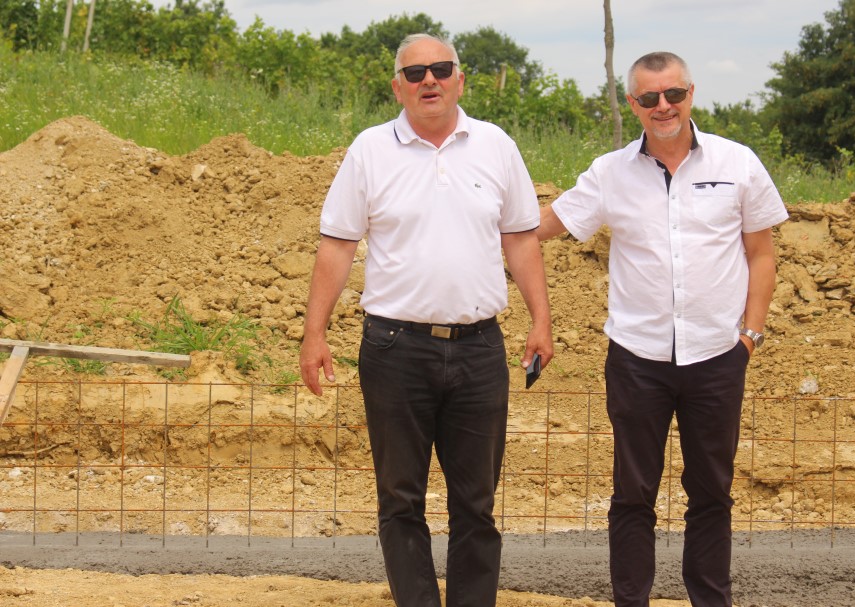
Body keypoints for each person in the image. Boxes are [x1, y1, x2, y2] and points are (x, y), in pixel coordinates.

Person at [299, 33, 553, 607]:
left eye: (440, 69)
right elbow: (337, 245)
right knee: (400, 501)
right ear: (398, 87)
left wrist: (542, 319)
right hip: (395, 350)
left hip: (480, 349)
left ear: (460, 79)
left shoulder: (496, 146)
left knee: (477, 505)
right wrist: (314, 333)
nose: (429, 80)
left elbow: (520, 238)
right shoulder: (370, 150)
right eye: (415, 74)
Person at [537, 51, 788, 607]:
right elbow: (550, 223)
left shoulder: (738, 163)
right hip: (637, 359)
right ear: (633, 103)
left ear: (690, 93)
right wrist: (484, 225)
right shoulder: (610, 173)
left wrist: (749, 337)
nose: (663, 106)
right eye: (649, 97)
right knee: (632, 494)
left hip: (717, 355)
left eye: (673, 94)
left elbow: (761, 254)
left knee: (711, 493)